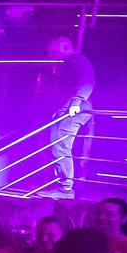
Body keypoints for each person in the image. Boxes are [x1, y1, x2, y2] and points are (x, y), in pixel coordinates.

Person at [41, 34, 93, 199]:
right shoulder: (68, 63)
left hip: (73, 109)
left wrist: (77, 101)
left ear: (64, 48)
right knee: (57, 145)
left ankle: (65, 189)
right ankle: (63, 186)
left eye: (52, 51)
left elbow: (87, 81)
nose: (50, 55)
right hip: (67, 108)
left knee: (60, 145)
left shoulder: (76, 60)